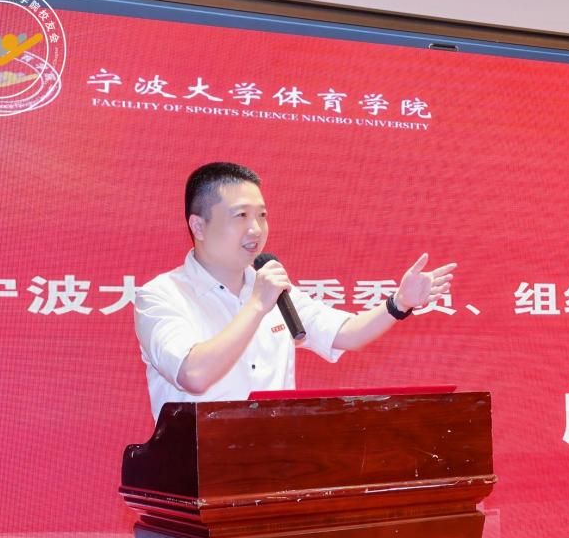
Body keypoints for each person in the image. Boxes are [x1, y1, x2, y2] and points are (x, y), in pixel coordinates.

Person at [134, 161, 454, 419]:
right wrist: (257, 305)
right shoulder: (162, 296)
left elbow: (347, 334)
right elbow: (193, 375)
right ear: (199, 226)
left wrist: (399, 303)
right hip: (198, 467)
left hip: (278, 459)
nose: (256, 229)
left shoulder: (273, 290)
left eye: (262, 215)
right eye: (241, 216)